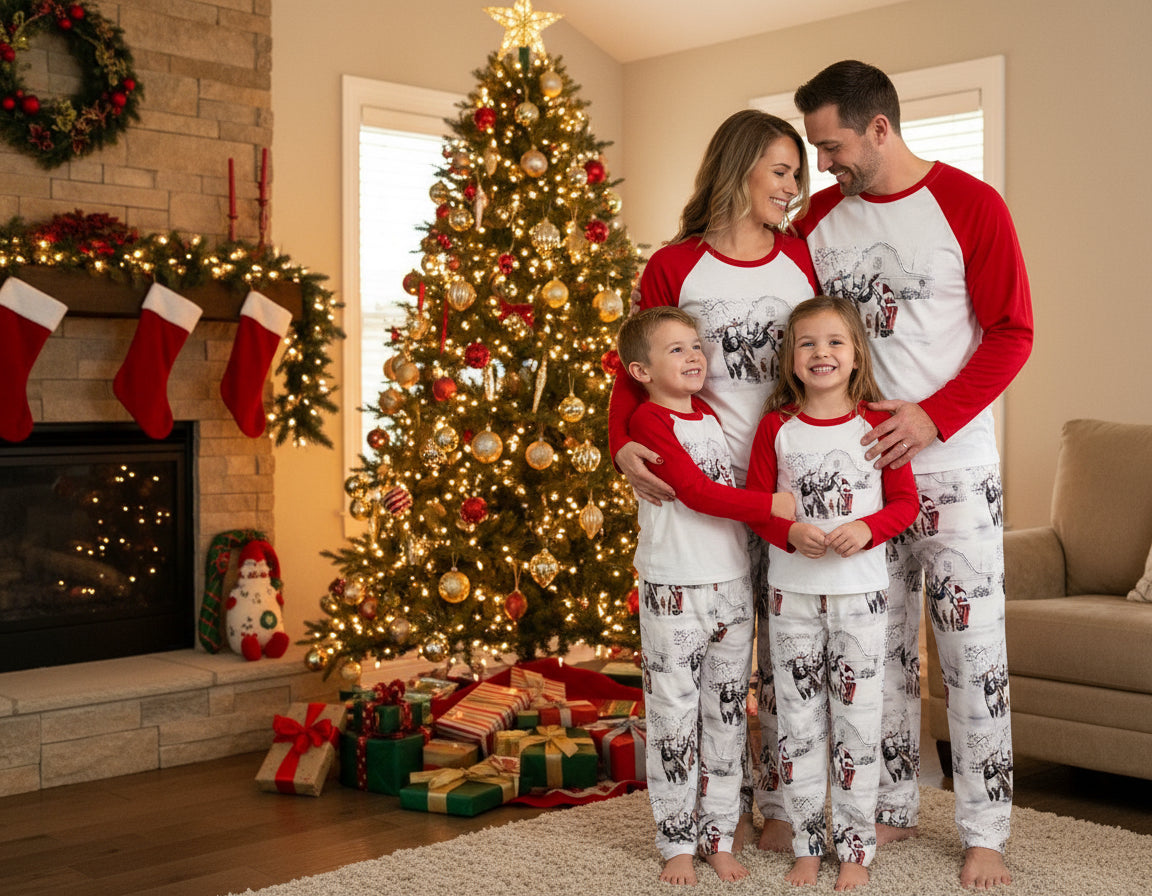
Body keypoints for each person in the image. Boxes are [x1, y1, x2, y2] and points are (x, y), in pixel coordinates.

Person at [757, 60, 1033, 890]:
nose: (823, 164)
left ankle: (986, 829)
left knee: (970, 650)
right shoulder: (818, 224)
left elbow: (1012, 332)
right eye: (814, 149)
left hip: (951, 469)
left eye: (833, 145)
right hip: (854, 485)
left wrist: (930, 416)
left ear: (880, 128)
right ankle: (889, 805)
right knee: (875, 655)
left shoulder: (971, 206)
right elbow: (789, 328)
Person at [607, 110, 818, 854]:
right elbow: (632, 365)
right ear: (739, 168)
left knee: (786, 659)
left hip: (789, 488)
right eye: (782, 171)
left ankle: (780, 806)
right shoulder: (674, 264)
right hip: (702, 503)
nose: (794, 187)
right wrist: (619, 447)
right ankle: (700, 819)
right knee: (711, 675)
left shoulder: (802, 259)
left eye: (799, 172)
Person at [616, 305, 793, 886]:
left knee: (725, 720)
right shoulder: (648, 424)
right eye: (676, 350)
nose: (695, 356)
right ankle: (675, 845)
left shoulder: (710, 416)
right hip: (674, 589)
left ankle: (718, 836)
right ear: (640, 371)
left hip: (732, 586)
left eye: (696, 346)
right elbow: (696, 493)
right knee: (673, 718)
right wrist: (770, 505)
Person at [746, 295, 919, 890]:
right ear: (792, 359)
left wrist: (866, 529)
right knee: (796, 723)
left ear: (855, 354)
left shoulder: (876, 424)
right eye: (807, 343)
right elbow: (759, 508)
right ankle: (804, 843)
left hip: (861, 598)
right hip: (791, 597)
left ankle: (854, 850)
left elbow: (905, 503)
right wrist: (790, 531)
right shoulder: (778, 429)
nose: (822, 353)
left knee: (857, 723)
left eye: (834, 343)